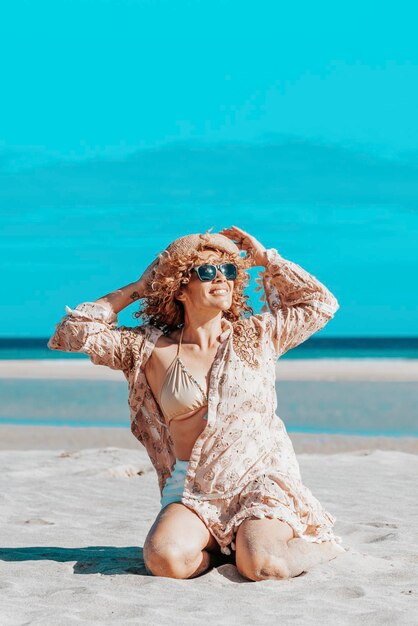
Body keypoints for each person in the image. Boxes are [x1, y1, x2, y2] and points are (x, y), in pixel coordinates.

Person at [48, 225, 346, 581]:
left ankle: (319, 546)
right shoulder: (146, 348)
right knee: (164, 560)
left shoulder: (257, 335)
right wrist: (140, 288)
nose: (221, 278)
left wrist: (268, 259)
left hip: (258, 481)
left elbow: (321, 303)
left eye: (229, 270)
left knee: (263, 566)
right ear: (180, 286)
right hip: (192, 486)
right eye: (206, 271)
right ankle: (221, 552)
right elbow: (72, 332)